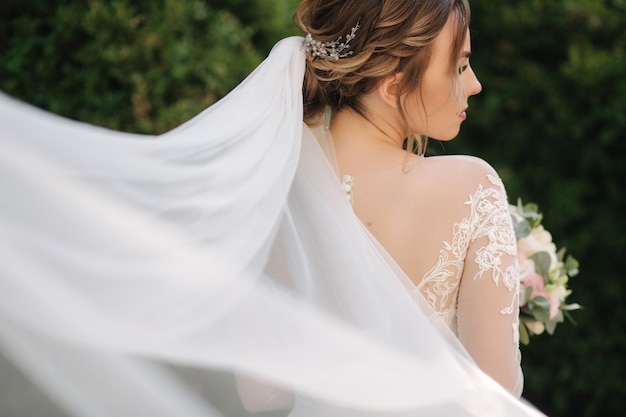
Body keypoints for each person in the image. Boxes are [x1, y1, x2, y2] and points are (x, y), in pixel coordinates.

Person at [0, 0, 545, 416]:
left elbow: (261, 394)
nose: (473, 84)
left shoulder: (278, 186)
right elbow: (494, 394)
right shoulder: (473, 186)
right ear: (393, 81)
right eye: (459, 65)